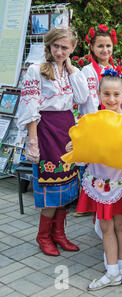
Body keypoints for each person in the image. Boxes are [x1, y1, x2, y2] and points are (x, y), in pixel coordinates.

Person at [17, 27, 89, 256]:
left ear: (72, 48)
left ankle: (59, 234)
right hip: (46, 129)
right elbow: (30, 106)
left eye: (64, 48)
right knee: (51, 184)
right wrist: (33, 141)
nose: (59, 51)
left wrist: (70, 68)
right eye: (56, 46)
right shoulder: (35, 70)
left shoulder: (70, 71)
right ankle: (43, 236)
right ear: (49, 46)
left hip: (66, 129)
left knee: (67, 184)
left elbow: (82, 98)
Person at [74, 69, 122, 290]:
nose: (112, 99)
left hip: (121, 181)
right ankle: (112, 270)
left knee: (121, 225)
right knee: (106, 226)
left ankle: (121, 266)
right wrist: (73, 147)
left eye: (116, 94)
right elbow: (82, 150)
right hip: (99, 179)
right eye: (107, 94)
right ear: (98, 94)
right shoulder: (91, 120)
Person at [79, 24, 122, 115]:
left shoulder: (118, 70)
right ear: (92, 47)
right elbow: (90, 101)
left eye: (108, 46)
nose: (105, 50)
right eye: (100, 46)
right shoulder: (88, 71)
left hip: (117, 116)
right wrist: (96, 120)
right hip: (98, 116)